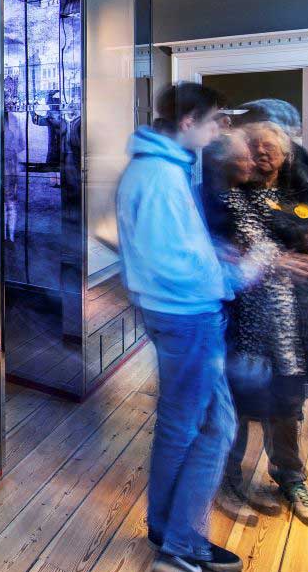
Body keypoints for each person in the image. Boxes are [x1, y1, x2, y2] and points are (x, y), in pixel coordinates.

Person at [116, 82, 249, 572]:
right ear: (189, 121)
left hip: (180, 313)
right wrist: (239, 272)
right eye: (215, 119)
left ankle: (170, 528)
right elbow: (172, 263)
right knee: (198, 426)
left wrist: (218, 260)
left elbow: (174, 250)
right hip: (186, 315)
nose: (221, 130)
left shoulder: (163, 169)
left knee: (209, 423)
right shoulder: (159, 177)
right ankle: (180, 542)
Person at [205, 124, 308, 528]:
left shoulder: (296, 199)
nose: (261, 153)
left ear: (286, 153)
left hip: (289, 317)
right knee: (236, 402)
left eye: (269, 146)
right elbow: (226, 249)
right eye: (254, 146)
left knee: (287, 400)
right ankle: (225, 479)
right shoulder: (228, 198)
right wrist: (276, 259)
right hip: (242, 318)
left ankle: (290, 478)